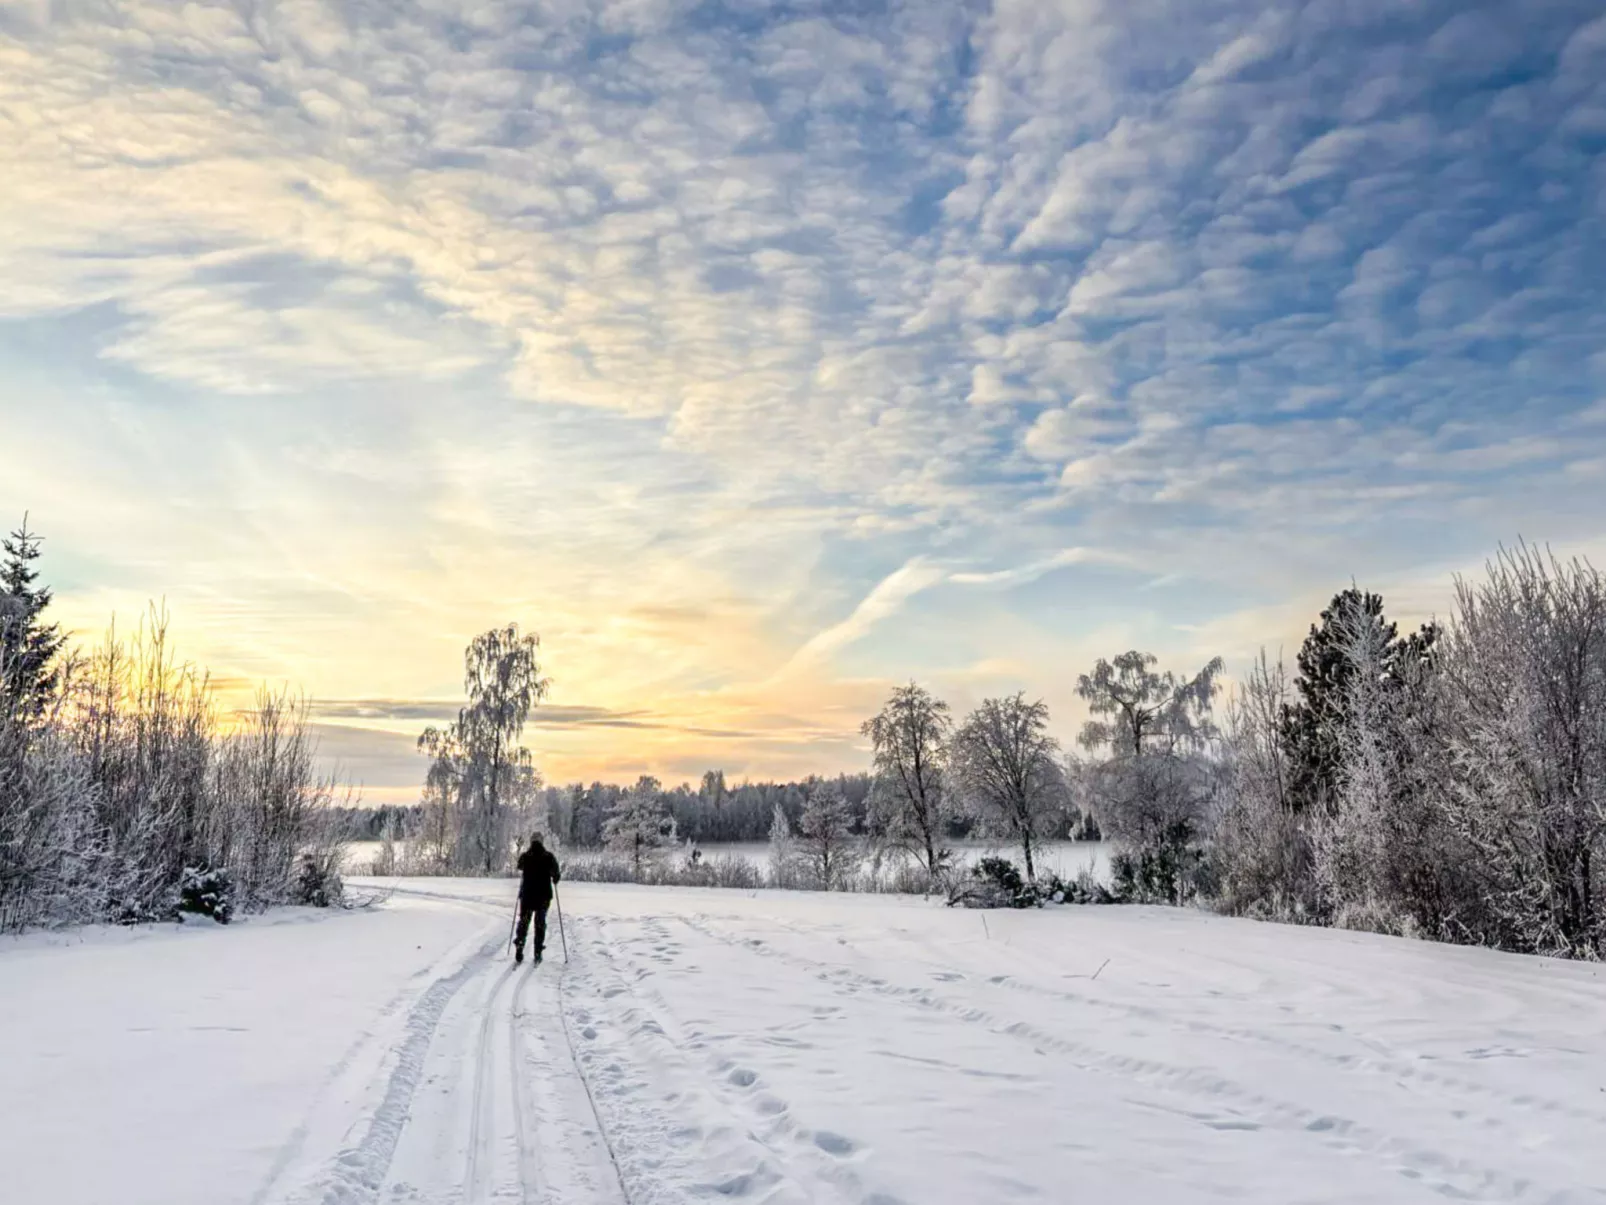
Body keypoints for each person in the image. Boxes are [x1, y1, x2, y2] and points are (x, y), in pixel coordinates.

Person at [514, 833, 561, 964]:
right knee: (540, 923)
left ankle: (520, 944)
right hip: (543, 897)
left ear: (531, 842)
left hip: (527, 896)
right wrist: (555, 878)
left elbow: (519, 866)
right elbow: (556, 874)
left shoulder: (525, 856)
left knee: (524, 921)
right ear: (542, 841)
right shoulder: (548, 857)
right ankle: (538, 951)